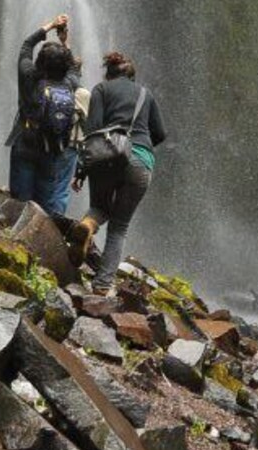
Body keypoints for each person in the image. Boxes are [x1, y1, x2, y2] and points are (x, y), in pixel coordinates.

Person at [69, 52, 166, 295]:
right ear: (132, 76)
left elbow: (92, 132)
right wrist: (139, 144)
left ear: (108, 73)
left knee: (99, 208)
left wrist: (81, 171)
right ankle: (102, 286)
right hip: (140, 161)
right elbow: (160, 134)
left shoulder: (101, 90)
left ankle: (87, 225)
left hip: (106, 157)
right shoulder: (146, 94)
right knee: (119, 226)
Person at [5, 14, 80, 217]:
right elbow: (74, 67)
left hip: (26, 143)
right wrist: (65, 41)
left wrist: (50, 26)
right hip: (53, 147)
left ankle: (15, 237)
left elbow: (26, 46)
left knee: (21, 201)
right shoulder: (70, 83)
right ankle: (40, 237)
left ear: (39, 62)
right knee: (45, 203)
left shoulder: (29, 76)